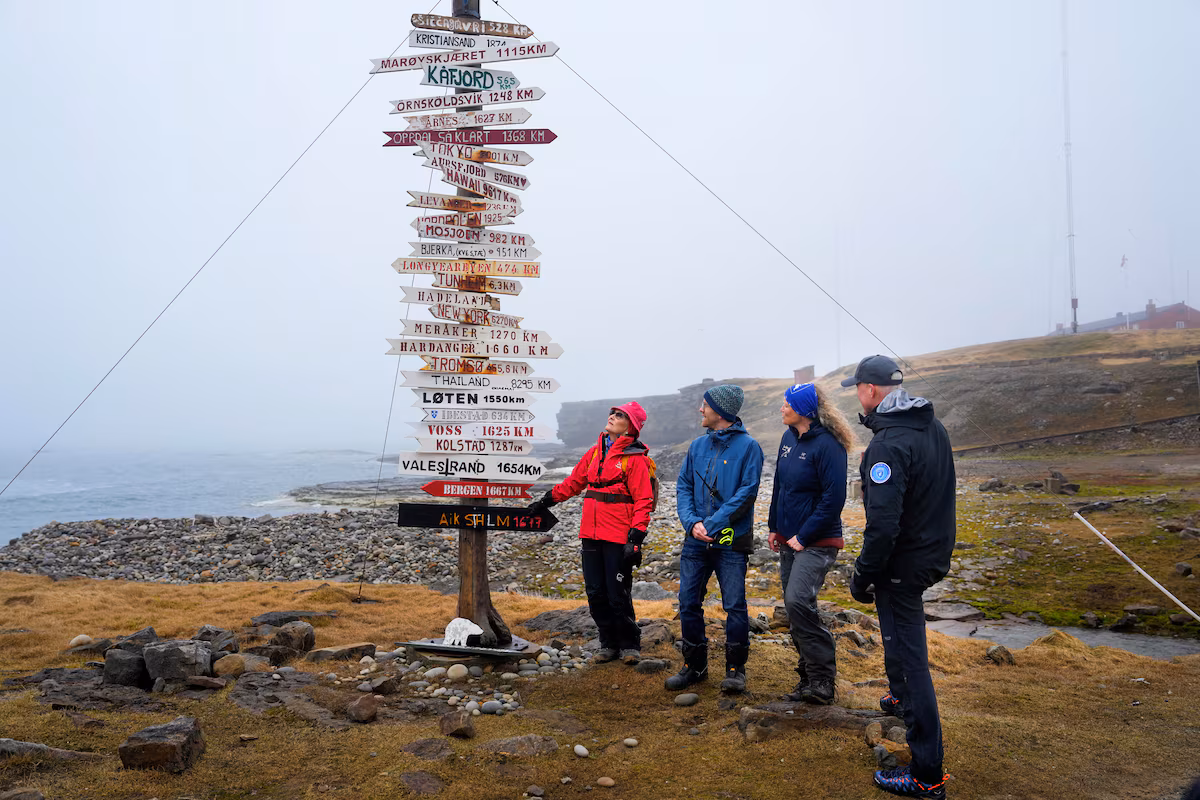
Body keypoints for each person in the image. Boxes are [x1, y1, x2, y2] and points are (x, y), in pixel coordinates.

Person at [843, 355, 956, 800]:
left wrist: (863, 574)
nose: (858, 396)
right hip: (929, 553)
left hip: (903, 564)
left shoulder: (887, 445)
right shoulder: (933, 427)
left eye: (857, 389)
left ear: (869, 390)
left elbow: (883, 525)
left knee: (912, 662)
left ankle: (927, 774)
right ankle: (897, 698)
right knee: (900, 646)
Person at [528, 402, 653, 665]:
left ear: (630, 426)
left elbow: (644, 500)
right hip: (591, 534)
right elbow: (573, 483)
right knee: (595, 592)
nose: (612, 416)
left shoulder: (635, 460)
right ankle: (608, 645)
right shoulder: (595, 453)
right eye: (613, 412)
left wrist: (636, 539)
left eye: (620, 415)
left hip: (618, 536)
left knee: (616, 592)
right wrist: (546, 501)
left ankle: (630, 645)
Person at [668, 384, 764, 694]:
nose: (700, 410)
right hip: (695, 538)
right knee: (687, 602)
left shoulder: (750, 448)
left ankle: (736, 670)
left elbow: (747, 493)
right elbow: (683, 486)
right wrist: (692, 522)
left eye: (705, 405)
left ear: (720, 412)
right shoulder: (697, 446)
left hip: (730, 540)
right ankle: (694, 666)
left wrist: (711, 523)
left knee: (734, 605)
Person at [767, 382, 854, 705]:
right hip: (789, 539)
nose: (782, 408)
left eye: (786, 404)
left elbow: (834, 498)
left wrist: (804, 536)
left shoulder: (829, 446)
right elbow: (780, 485)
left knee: (799, 601)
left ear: (802, 409)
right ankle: (807, 677)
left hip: (818, 541)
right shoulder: (789, 439)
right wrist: (775, 527)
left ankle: (822, 680)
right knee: (794, 608)